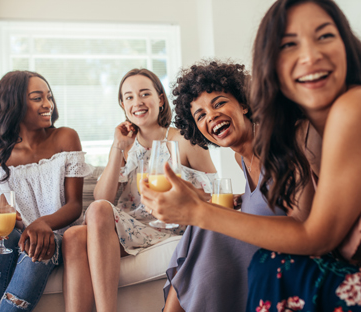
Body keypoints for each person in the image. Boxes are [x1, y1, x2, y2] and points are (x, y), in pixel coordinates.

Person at [140, 0, 361, 310]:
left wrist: (198, 211)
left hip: (314, 253)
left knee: (256, 257)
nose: (310, 56)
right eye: (289, 45)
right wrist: (203, 208)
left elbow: (314, 233)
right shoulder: (247, 155)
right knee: (209, 234)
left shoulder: (332, 117)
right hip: (305, 249)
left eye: (324, 36)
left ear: (244, 102)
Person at [62, 68, 217, 312]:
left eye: (145, 94)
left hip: (166, 227)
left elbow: (214, 193)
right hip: (130, 227)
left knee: (99, 211)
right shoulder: (127, 145)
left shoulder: (185, 140)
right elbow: (102, 196)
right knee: (72, 236)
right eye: (130, 97)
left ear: (160, 99)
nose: (138, 102)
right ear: (123, 105)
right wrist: (117, 147)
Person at [162, 60, 288, 312]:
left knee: (206, 226)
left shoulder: (277, 143)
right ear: (198, 128)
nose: (212, 116)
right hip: (261, 246)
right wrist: (242, 197)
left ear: (243, 103)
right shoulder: (239, 157)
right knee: (202, 225)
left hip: (284, 251)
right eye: (201, 115)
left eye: (218, 103)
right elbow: (269, 194)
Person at [0, 70, 91, 311]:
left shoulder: (65, 138)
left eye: (49, 97)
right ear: (14, 104)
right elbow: (5, 212)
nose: (48, 104)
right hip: (19, 235)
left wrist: (43, 224)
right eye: (37, 98)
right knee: (0, 238)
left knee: (37, 249)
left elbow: (74, 206)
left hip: (56, 235)